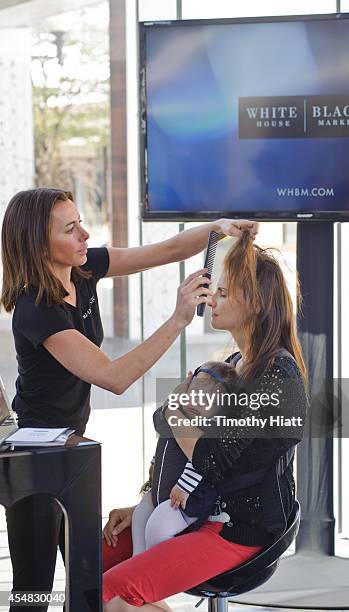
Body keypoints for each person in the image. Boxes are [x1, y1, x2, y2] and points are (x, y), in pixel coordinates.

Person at [0, 187, 258, 612]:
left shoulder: (84, 269)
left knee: (86, 579)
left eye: (81, 222)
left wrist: (217, 231)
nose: (85, 235)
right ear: (38, 244)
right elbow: (113, 377)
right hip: (35, 456)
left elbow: (165, 249)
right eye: (71, 229)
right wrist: (178, 319)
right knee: (34, 589)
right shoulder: (36, 309)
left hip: (71, 450)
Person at [102, 231, 309, 612]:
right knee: (97, 560)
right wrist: (149, 502)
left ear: (258, 304)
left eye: (226, 293)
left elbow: (210, 456)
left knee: (108, 594)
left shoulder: (279, 377)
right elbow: (166, 430)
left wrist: (174, 412)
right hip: (199, 509)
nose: (213, 298)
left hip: (239, 529)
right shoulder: (230, 366)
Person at [128, 361, 239, 555]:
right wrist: (155, 461)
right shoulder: (181, 417)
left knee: (158, 527)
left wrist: (184, 487)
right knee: (140, 516)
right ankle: (137, 558)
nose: (196, 404)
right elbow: (165, 443)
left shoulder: (209, 428)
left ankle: (155, 567)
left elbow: (202, 461)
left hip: (183, 499)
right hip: (162, 490)